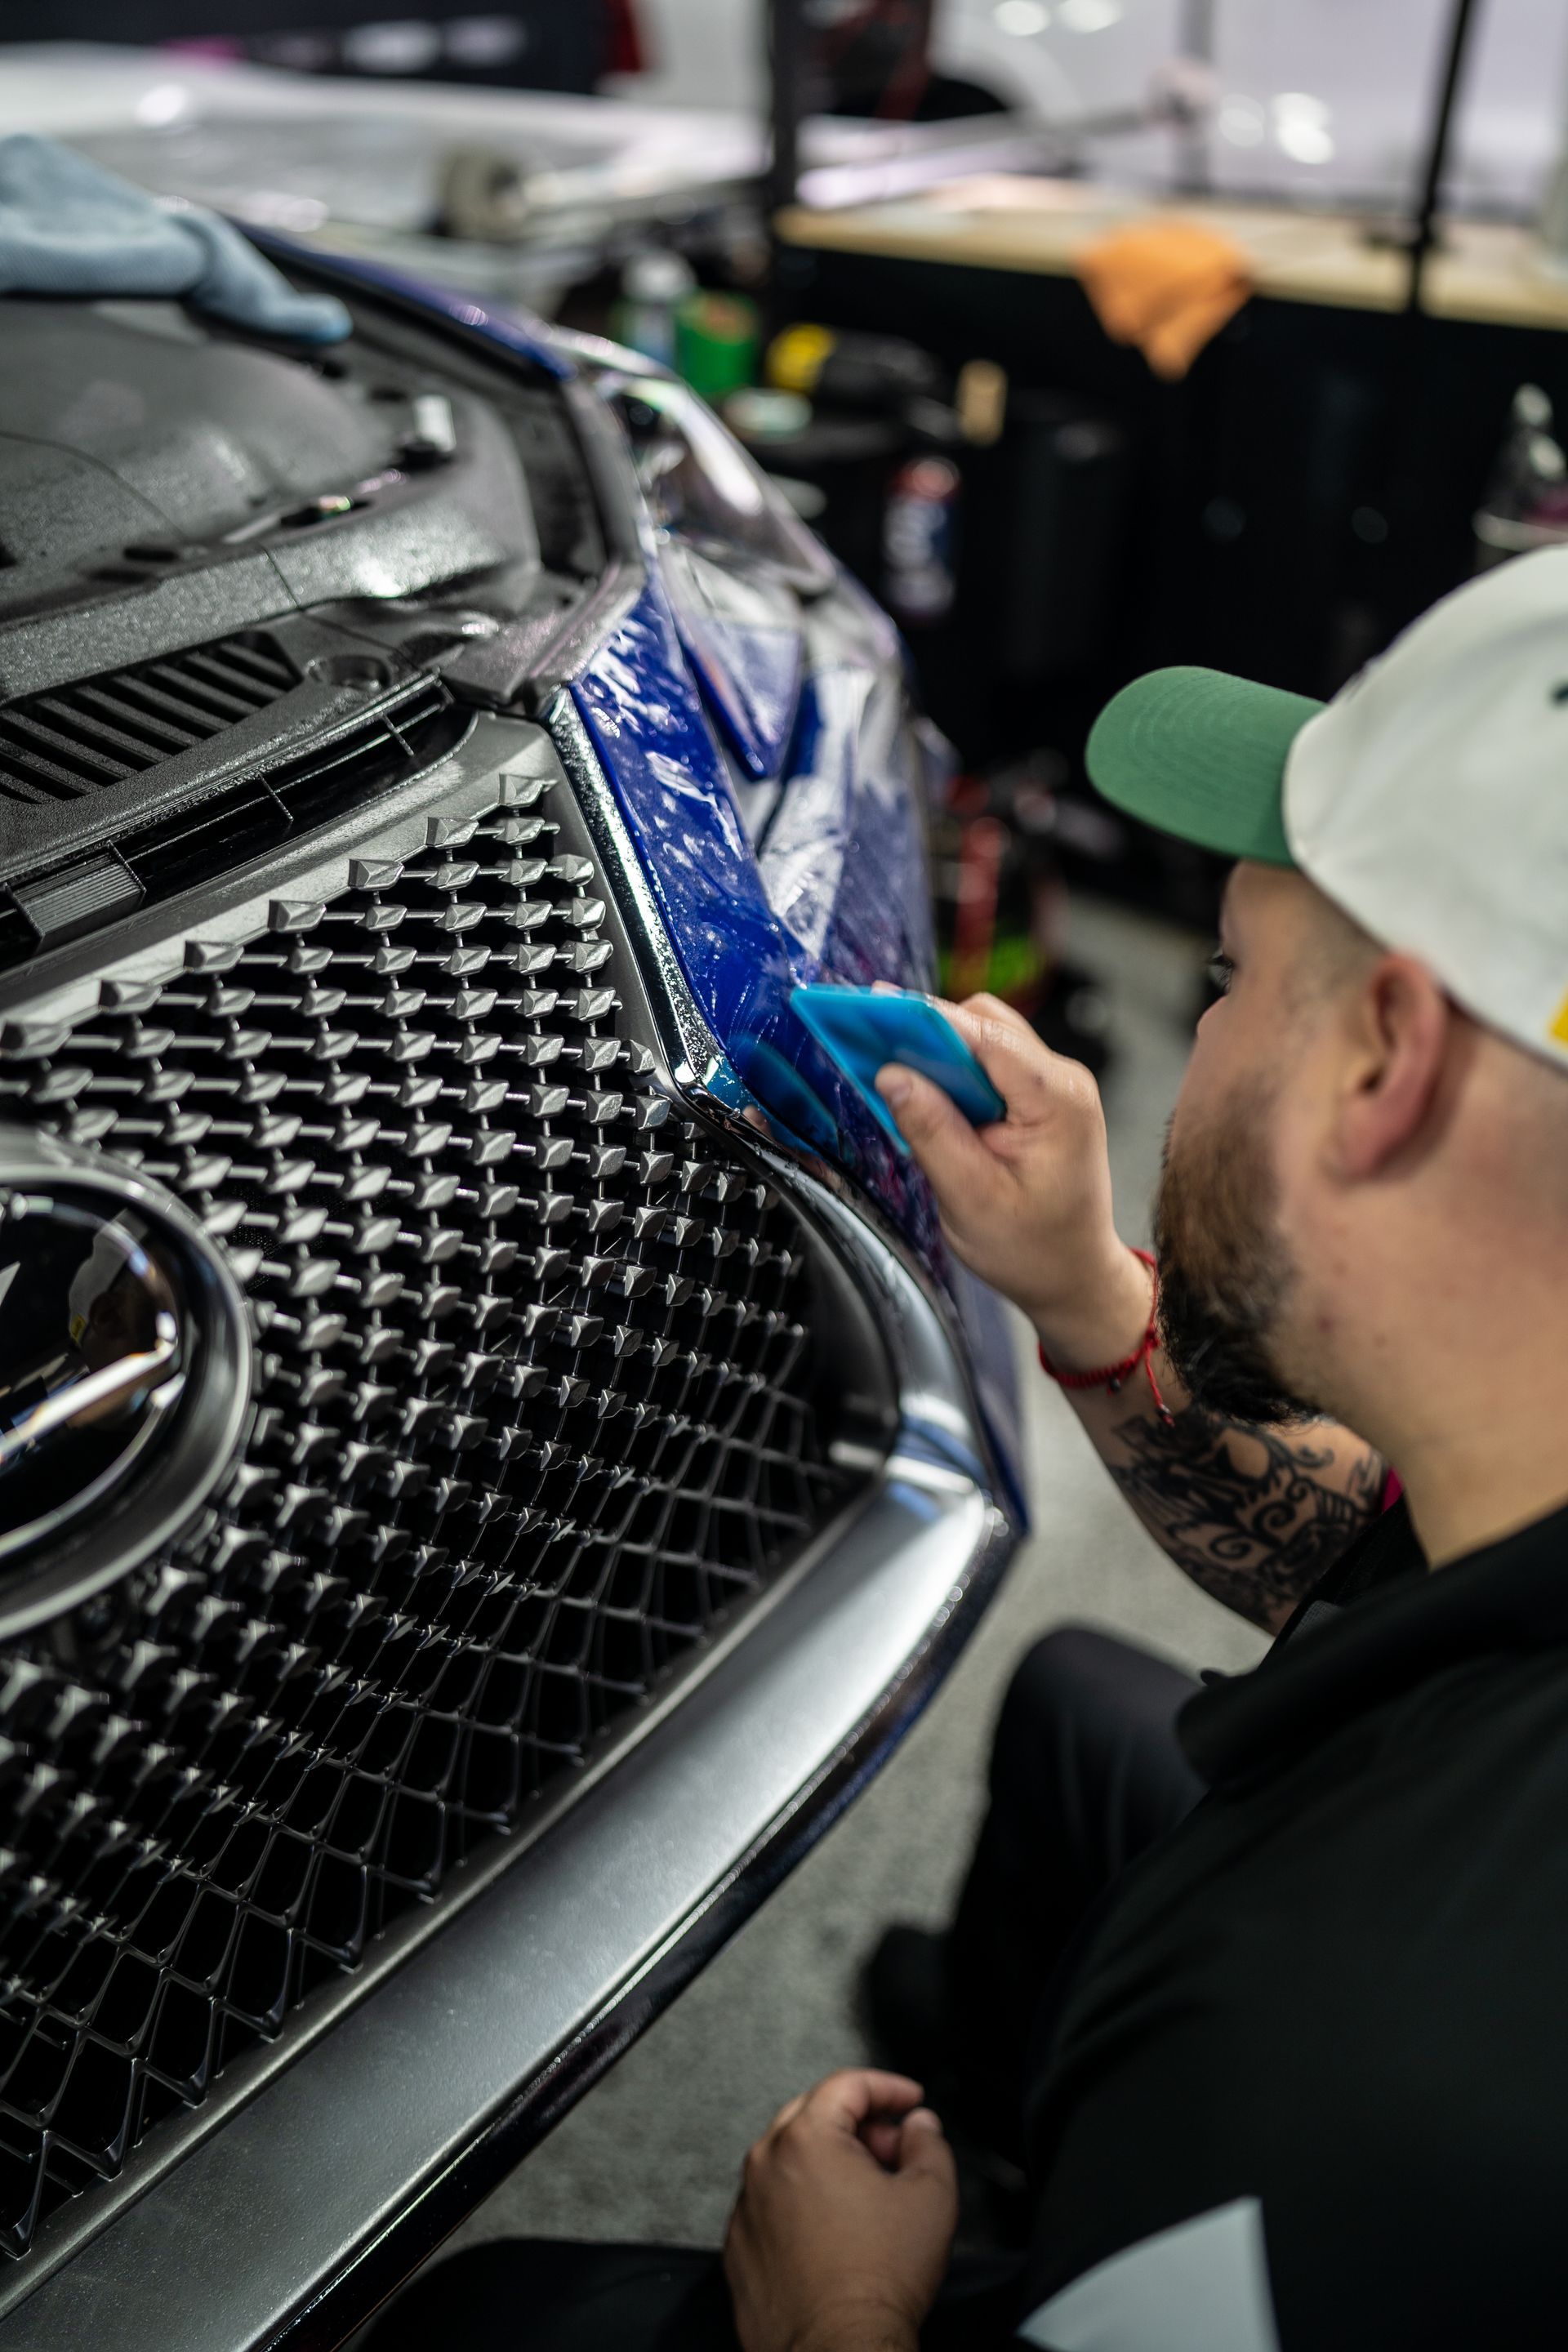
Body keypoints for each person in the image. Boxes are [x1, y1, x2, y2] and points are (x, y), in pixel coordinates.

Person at [370, 545, 1568, 2351]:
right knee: (1084, 1704)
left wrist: (835, 2320)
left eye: (1234, 977)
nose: (1200, 1032)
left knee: (495, 2324)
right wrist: (1087, 1290)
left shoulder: (1336, 2084)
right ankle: (1024, 2137)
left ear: (1386, 1056)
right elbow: (1351, 1555)